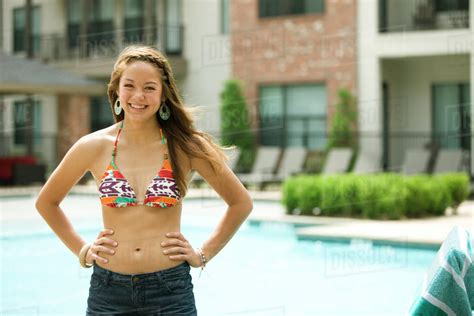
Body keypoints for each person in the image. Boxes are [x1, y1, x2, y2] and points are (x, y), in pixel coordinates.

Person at [35, 45, 253, 315]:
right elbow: (47, 202)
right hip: (108, 291)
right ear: (117, 91)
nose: (138, 96)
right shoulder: (93, 146)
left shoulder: (185, 146)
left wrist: (203, 254)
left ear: (163, 95)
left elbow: (240, 203)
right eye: (130, 86)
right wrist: (82, 250)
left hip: (170, 291)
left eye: (149, 87)